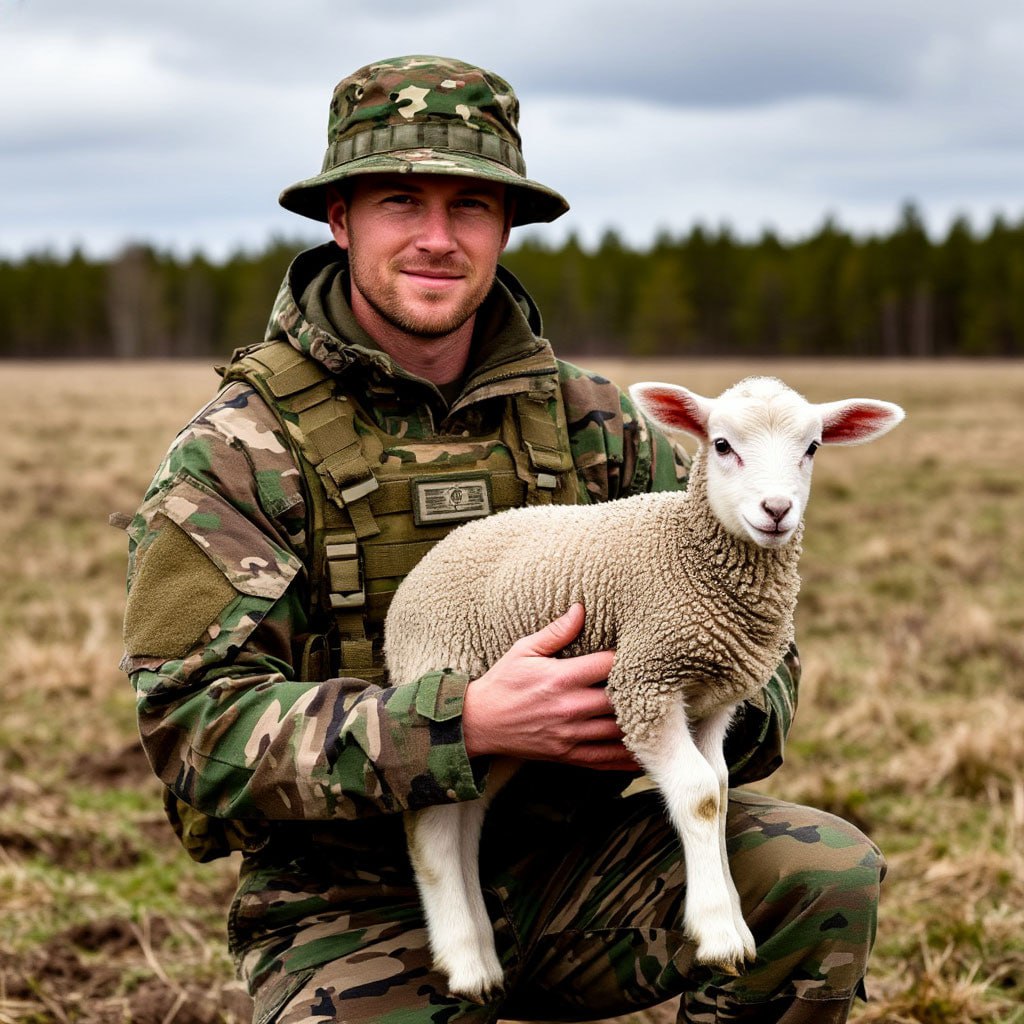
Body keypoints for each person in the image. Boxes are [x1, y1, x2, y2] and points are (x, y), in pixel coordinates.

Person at [120, 55, 884, 1024]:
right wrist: (463, 723)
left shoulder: (599, 426)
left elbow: (756, 647)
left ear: (506, 224)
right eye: (402, 200)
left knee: (819, 874)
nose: (438, 238)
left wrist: (642, 711)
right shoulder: (237, 453)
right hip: (351, 900)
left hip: (582, 860)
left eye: (471, 206)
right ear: (340, 218)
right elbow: (195, 728)